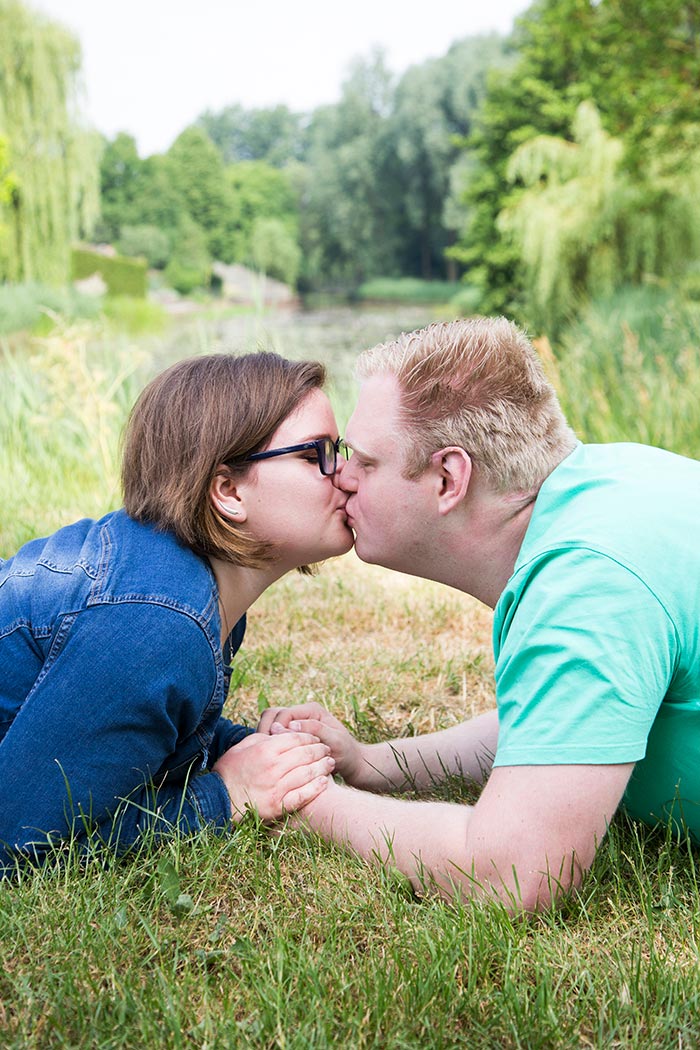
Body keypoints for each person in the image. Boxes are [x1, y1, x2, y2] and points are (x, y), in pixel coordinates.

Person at [260, 316, 700, 911]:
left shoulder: (590, 582)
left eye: (364, 460)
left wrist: (306, 796)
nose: (340, 475)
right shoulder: (608, 488)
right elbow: (560, 729)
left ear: (448, 478)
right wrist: (371, 765)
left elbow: (513, 876)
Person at [0, 351, 353, 875]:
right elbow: (19, 840)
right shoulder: (159, 625)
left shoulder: (190, 593)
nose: (345, 475)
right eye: (315, 454)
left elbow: (149, 736)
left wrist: (253, 747)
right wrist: (226, 796)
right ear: (228, 491)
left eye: (339, 450)